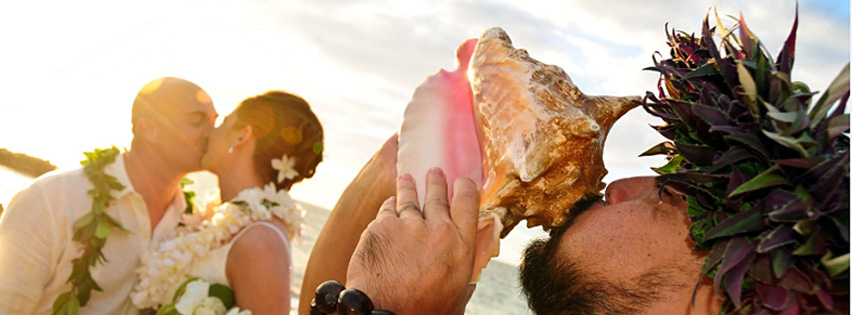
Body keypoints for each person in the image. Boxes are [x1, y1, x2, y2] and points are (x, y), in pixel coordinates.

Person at [0, 77, 217, 314]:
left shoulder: (195, 227)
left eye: (215, 122)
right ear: (149, 130)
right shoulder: (52, 199)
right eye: (197, 121)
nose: (212, 135)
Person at [131, 91, 324, 314]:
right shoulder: (209, 222)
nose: (210, 133)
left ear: (242, 136)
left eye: (223, 123)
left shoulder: (262, 241)